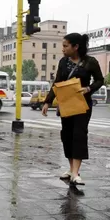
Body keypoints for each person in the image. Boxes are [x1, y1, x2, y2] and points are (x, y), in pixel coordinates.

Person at [42, 33, 104, 185]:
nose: (62, 49)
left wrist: (88, 89)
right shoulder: (63, 62)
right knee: (67, 136)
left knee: (79, 135)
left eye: (65, 46)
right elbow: (57, 82)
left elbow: (100, 80)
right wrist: (47, 101)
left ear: (76, 47)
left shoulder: (90, 62)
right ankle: (71, 169)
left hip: (82, 105)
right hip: (66, 104)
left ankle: (76, 173)